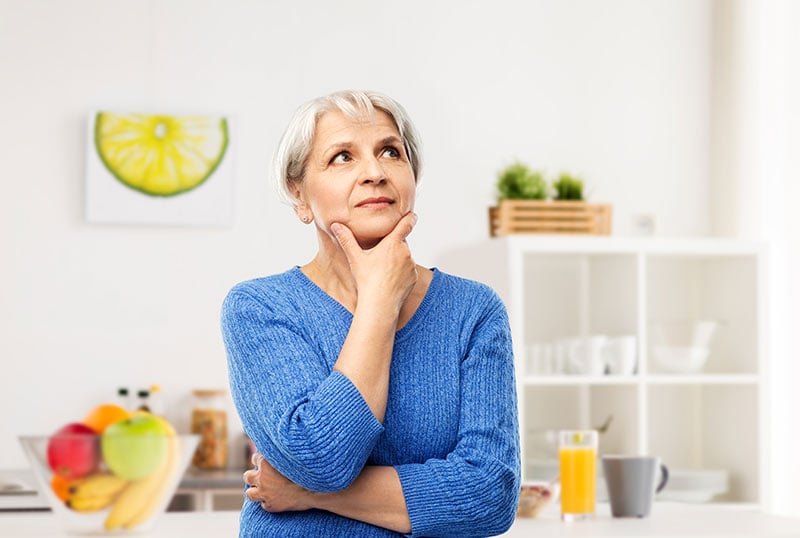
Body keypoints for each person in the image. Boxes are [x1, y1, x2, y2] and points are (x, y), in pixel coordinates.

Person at [221, 90, 520, 537]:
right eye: (342, 157)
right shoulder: (259, 308)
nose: (375, 172)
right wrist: (380, 299)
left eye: (390, 152)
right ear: (298, 193)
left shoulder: (473, 311)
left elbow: (489, 494)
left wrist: (307, 494)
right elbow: (321, 458)